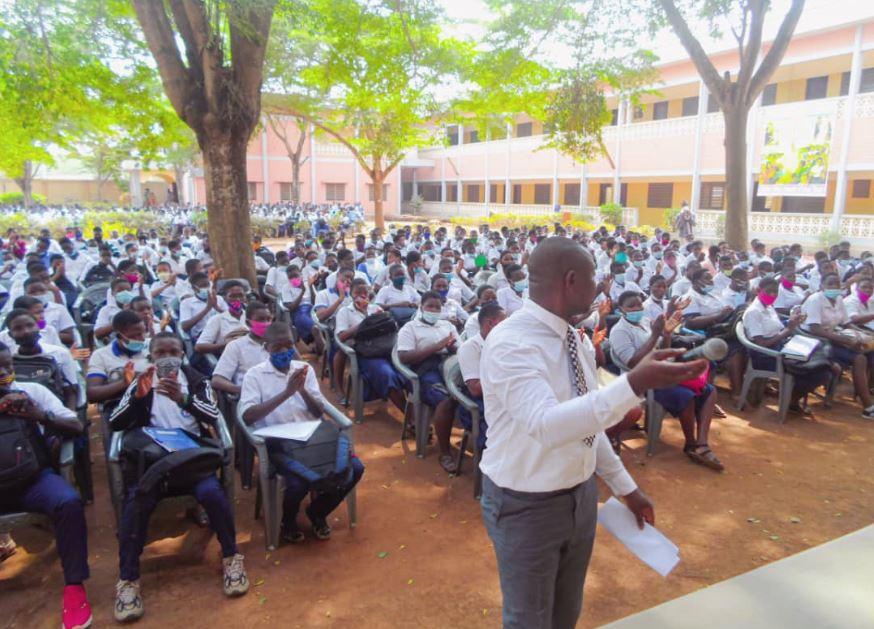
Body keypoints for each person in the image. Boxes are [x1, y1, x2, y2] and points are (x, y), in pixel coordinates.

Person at [479, 237, 707, 628]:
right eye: (592, 278)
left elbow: (585, 423)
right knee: (528, 620)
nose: (598, 286)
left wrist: (625, 488)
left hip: (580, 495)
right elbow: (547, 425)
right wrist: (632, 383)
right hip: (526, 506)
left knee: (566, 612)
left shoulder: (574, 337)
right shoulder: (511, 343)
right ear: (570, 281)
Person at [108, 333, 248, 621]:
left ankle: (232, 558)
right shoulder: (141, 381)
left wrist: (183, 399)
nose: (167, 357)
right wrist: (138, 398)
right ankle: (128, 580)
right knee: (136, 504)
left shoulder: (196, 381)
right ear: (152, 355)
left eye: (174, 351)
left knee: (212, 494)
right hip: (152, 462)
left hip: (190, 459)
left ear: (182, 354)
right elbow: (115, 422)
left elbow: (212, 415)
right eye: (161, 352)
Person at [239, 323, 364, 543]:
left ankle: (318, 511)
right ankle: (288, 521)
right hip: (279, 441)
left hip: (312, 436)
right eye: (277, 348)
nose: (284, 352)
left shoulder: (303, 370)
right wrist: (287, 393)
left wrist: (302, 389)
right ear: (266, 348)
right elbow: (248, 416)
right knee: (298, 483)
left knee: (354, 468)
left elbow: (318, 410)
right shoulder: (254, 376)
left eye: (288, 346)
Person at [0, 342, 93, 629]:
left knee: (67, 503)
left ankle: (74, 588)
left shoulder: (32, 392)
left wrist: (38, 414)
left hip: (32, 479)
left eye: (9, 366)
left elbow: (77, 426)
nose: (5, 373)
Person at [610, 291, 722, 470]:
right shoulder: (619, 331)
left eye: (639, 304)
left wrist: (667, 334)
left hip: (662, 371)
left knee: (709, 390)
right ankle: (691, 445)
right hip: (642, 380)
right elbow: (632, 362)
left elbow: (663, 350)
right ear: (621, 309)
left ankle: (702, 442)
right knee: (686, 395)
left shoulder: (645, 322)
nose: (636, 308)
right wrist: (655, 335)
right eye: (631, 306)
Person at [742, 277, 833, 415]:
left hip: (781, 348)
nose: (773, 295)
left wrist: (791, 322)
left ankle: (792, 398)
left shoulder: (768, 307)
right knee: (819, 371)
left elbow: (776, 328)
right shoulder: (753, 312)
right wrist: (787, 331)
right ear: (758, 291)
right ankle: (792, 400)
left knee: (820, 356)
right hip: (767, 356)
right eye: (769, 291)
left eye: (775, 291)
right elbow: (761, 343)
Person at [396, 291, 460, 473]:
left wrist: (452, 346)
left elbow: (460, 349)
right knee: (445, 401)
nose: (433, 310)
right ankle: (445, 452)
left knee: (470, 392)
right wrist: (436, 347)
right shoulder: (410, 328)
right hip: (423, 372)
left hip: (447, 367)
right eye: (429, 306)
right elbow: (404, 357)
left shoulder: (446, 325)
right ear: (421, 307)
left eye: (437, 307)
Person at [801, 273, 874, 418]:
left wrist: (859, 333)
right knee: (859, 358)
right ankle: (868, 406)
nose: (834, 287)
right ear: (822, 286)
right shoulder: (816, 300)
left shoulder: (839, 299)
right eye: (830, 284)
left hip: (832, 337)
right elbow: (815, 329)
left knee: (864, 353)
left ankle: (866, 400)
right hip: (815, 341)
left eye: (836, 284)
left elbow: (846, 322)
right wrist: (844, 340)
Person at [334, 282, 407, 410]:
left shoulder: (375, 309)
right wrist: (366, 322)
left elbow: (392, 328)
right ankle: (410, 417)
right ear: (351, 294)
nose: (362, 296)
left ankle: (412, 413)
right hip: (366, 353)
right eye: (357, 293)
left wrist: (383, 317)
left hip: (386, 348)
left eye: (365, 293)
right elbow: (341, 337)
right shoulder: (345, 312)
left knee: (405, 372)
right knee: (386, 374)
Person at [457, 302, 506, 453]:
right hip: (479, 403)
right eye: (505, 321)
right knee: (502, 434)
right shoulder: (471, 348)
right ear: (490, 323)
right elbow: (475, 389)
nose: (508, 325)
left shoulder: (504, 343)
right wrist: (507, 379)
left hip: (500, 395)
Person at [211, 301, 273, 397]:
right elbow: (217, 380)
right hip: (252, 399)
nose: (266, 323)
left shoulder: (278, 344)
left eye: (269, 319)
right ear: (248, 323)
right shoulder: (236, 346)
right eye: (261, 320)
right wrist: (243, 390)